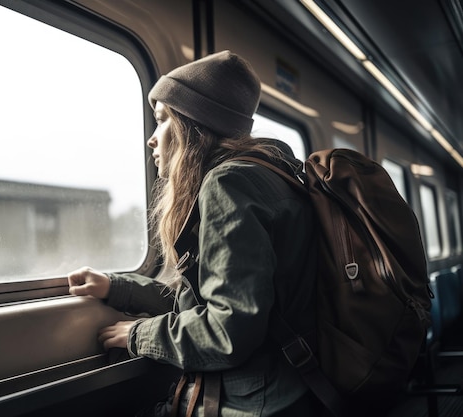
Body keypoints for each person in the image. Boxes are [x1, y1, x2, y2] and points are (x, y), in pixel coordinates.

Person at [67, 50, 318, 417]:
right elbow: (208, 299)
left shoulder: (227, 184)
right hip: (291, 389)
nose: (152, 140)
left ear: (192, 125)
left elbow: (229, 330)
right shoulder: (271, 175)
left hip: (255, 403)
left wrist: (137, 336)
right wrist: (118, 287)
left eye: (162, 120)